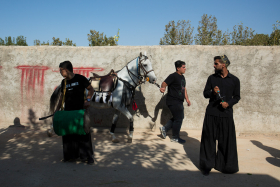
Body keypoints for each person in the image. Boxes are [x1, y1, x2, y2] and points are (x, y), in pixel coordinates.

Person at [199, 55, 240, 175]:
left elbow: (237, 97)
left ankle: (225, 166)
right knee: (208, 141)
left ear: (224, 65)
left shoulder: (234, 80)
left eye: (216, 63)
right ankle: (206, 166)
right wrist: (212, 92)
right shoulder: (211, 78)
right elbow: (205, 94)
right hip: (211, 113)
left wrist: (229, 103)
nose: (214, 65)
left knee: (226, 141)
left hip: (226, 114)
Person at [54, 61, 95, 164]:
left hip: (80, 112)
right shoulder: (64, 82)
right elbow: (61, 98)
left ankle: (88, 156)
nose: (60, 72)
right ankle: (70, 156)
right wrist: (56, 110)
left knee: (84, 133)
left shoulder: (81, 79)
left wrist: (88, 100)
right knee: (68, 133)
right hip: (68, 113)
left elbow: (91, 89)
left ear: (66, 70)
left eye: (60, 70)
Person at [159, 60, 191, 144]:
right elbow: (164, 83)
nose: (185, 68)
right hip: (173, 100)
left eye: (185, 67)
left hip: (179, 101)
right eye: (183, 67)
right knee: (179, 118)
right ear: (178, 68)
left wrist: (187, 99)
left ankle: (165, 129)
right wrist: (163, 88)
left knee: (178, 117)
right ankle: (175, 137)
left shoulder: (182, 77)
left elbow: (184, 89)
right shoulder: (173, 76)